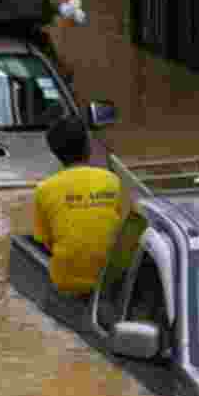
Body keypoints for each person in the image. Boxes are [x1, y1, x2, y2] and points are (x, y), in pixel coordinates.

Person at [33, 116, 123, 296]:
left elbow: (46, 241)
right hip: (110, 279)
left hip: (66, 282)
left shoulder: (44, 190)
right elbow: (119, 230)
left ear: (55, 153)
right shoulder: (111, 181)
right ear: (88, 147)